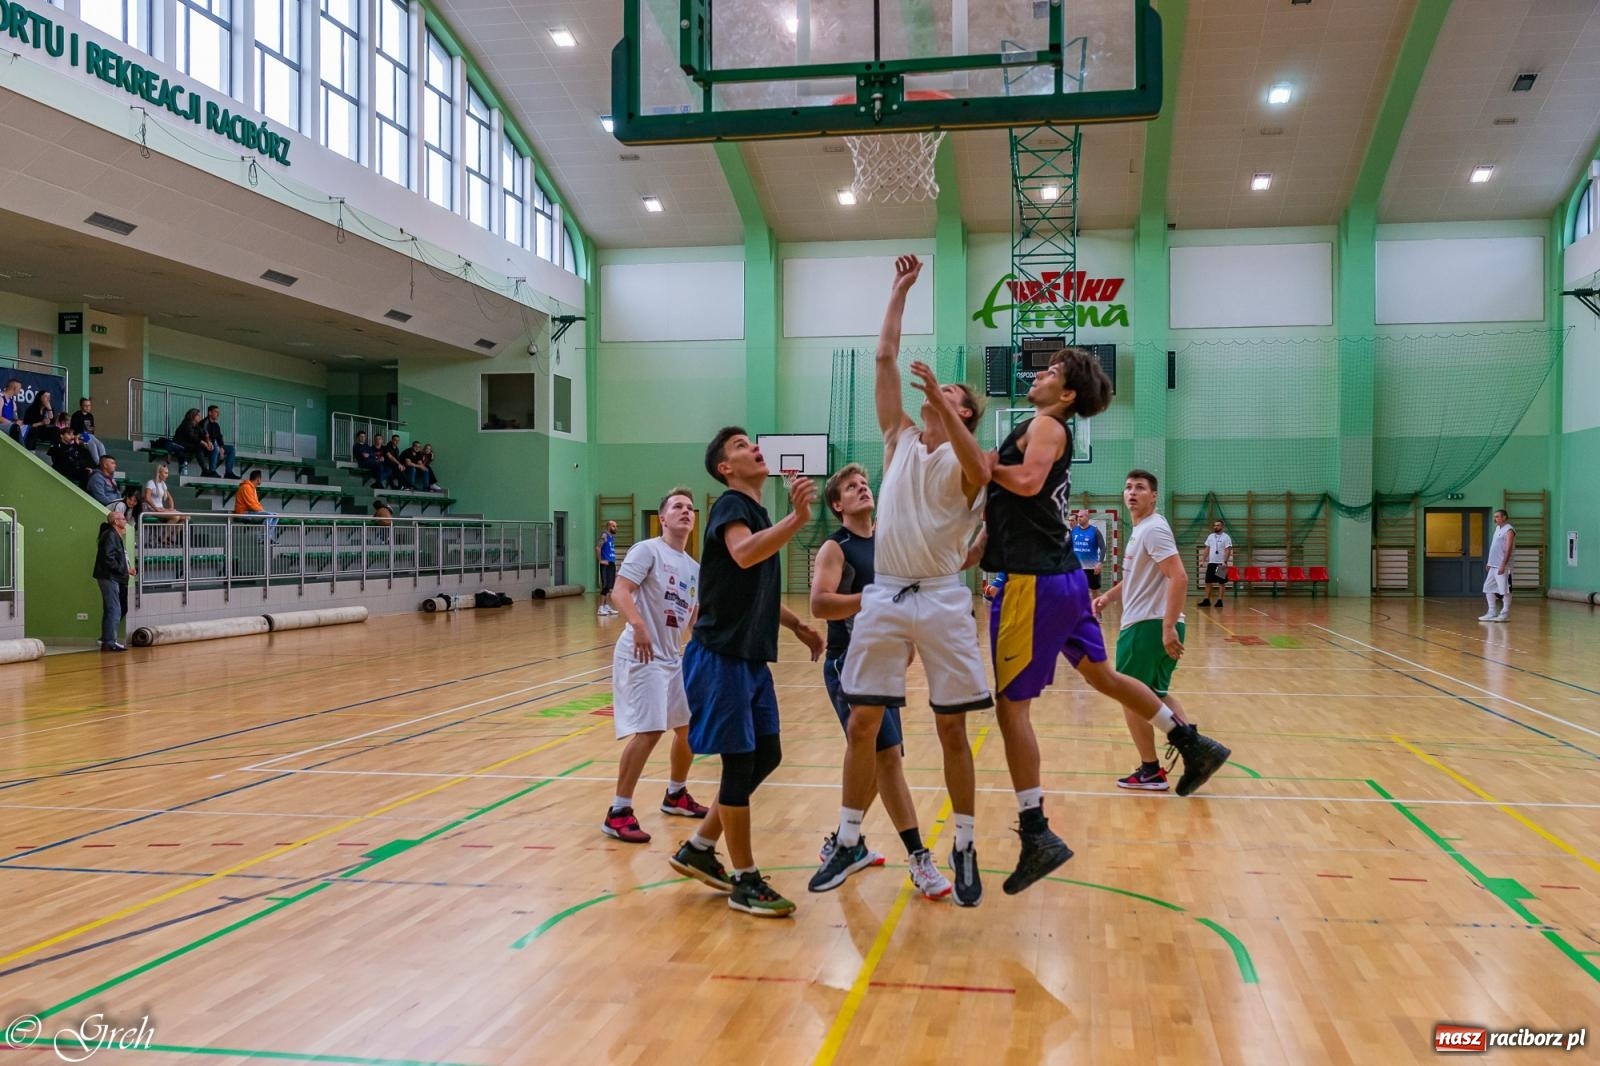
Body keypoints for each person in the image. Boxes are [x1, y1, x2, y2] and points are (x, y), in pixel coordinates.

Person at [982, 347, 1232, 897]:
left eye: (1050, 372)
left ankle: (1036, 831)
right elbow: (1016, 506)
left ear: (1067, 394)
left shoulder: (1045, 425)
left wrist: (979, 463)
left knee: (1011, 707)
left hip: (1034, 581)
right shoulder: (1044, 424)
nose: (1040, 375)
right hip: (1066, 578)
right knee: (1103, 677)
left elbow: (1024, 484)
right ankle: (1191, 744)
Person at [809, 255, 992, 905]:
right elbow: (885, 360)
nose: (935, 402)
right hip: (886, 591)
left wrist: (946, 389)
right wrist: (899, 290)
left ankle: (964, 845)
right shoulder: (900, 439)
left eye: (953, 401)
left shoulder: (973, 461)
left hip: (941, 596)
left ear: (964, 414)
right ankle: (850, 837)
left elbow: (980, 470)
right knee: (864, 724)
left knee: (950, 729)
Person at [667, 427, 825, 919]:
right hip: (720, 655)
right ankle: (744, 879)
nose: (753, 447)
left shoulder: (755, 515)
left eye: (750, 442)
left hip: (750, 657)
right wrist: (798, 519)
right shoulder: (732, 507)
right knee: (739, 764)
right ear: (725, 469)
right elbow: (743, 553)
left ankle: (699, 845)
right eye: (739, 447)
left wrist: (798, 624)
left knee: (768, 754)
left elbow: (754, 586)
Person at [808, 461, 952, 900]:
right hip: (848, 663)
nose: (862, 490)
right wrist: (868, 600)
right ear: (838, 504)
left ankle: (844, 842)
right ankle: (918, 858)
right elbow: (819, 604)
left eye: (864, 484)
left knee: (884, 760)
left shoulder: (889, 544)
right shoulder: (837, 547)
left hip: (884, 663)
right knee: (886, 759)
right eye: (851, 488)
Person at [602, 487, 710, 844]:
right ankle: (618, 811)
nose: (685, 511)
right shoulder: (648, 550)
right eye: (677, 507)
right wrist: (639, 626)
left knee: (689, 727)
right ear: (663, 518)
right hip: (640, 652)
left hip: (671, 657)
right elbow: (620, 591)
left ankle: (676, 795)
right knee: (649, 731)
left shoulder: (694, 568)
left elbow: (691, 619)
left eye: (689, 508)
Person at [1093, 471, 1196, 791]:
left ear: (1154, 496)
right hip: (1151, 623)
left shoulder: (1153, 529)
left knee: (1130, 695)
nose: (1132, 492)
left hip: (1147, 625)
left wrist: (1167, 628)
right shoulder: (1144, 531)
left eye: (1140, 488)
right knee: (1156, 695)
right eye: (1127, 487)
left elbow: (1179, 577)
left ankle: (1152, 770)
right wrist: (1109, 596)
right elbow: (1139, 578)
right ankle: (1197, 750)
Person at [93, 506, 134, 652]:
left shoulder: (114, 535)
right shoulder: (110, 535)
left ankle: (107, 639)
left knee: (111, 609)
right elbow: (108, 558)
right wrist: (122, 569)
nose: (125, 521)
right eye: (123, 519)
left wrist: (126, 569)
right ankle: (110, 641)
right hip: (109, 577)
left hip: (112, 576)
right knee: (114, 609)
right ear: (116, 521)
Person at [1481, 509, 1516, 622]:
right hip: (1493, 565)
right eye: (1494, 516)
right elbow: (1495, 547)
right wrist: (1489, 562)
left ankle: (1505, 614)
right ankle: (1492, 612)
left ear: (1504, 517)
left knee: (1504, 590)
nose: (1494, 519)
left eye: (1497, 516)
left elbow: (1508, 548)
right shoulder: (1497, 528)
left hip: (1503, 566)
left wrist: (1503, 564)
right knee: (1488, 587)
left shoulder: (1509, 530)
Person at [234, 470, 278, 538]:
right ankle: (263, 538)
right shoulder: (246, 487)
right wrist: (262, 511)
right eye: (261, 479)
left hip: (250, 511)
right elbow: (251, 504)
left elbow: (256, 503)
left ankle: (268, 537)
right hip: (243, 512)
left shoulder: (252, 488)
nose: (261, 480)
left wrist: (262, 511)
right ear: (258, 479)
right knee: (269, 515)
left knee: (275, 515)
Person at [1071, 510, 1106, 592]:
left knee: (1094, 591)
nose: (1079, 518)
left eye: (1081, 516)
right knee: (1077, 591)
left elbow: (1103, 548)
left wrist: (1100, 563)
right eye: (1078, 516)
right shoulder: (1074, 531)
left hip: (1092, 568)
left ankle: (1094, 605)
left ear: (1087, 518)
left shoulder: (1095, 531)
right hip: (1077, 568)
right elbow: (1069, 547)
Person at [1200, 519, 1233, 607]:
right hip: (1211, 563)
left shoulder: (1226, 537)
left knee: (1221, 582)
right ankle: (1206, 600)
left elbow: (1228, 550)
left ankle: (1220, 601)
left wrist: (1224, 561)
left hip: (1220, 563)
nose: (1216, 527)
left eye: (1218, 525)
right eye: (1215, 525)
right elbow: (1207, 549)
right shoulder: (1210, 536)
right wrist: (1203, 560)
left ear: (1222, 526)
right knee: (1208, 581)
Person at [201, 405, 240, 479]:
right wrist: (217, 447)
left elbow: (219, 437)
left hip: (214, 446)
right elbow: (204, 435)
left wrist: (221, 448)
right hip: (204, 446)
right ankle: (212, 471)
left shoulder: (216, 425)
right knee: (216, 448)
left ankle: (228, 472)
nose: (218, 414)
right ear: (209, 413)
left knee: (231, 449)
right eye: (216, 412)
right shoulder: (204, 422)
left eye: (218, 412)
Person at [170, 408, 206, 476]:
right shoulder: (187, 424)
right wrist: (203, 442)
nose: (200, 417)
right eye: (198, 415)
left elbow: (203, 435)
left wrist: (208, 442)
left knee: (202, 448)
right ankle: (204, 470)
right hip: (180, 445)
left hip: (188, 446)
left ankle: (207, 470)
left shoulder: (197, 426)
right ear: (193, 416)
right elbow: (191, 436)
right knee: (198, 447)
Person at [70, 398, 107, 464]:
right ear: (81, 406)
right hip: (80, 435)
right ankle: (98, 463)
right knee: (92, 445)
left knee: (100, 445)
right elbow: (73, 429)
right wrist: (77, 437)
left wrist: (92, 429)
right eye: (85, 406)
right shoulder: (76, 415)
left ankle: (105, 462)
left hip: (89, 434)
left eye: (89, 405)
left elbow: (91, 428)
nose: (88, 407)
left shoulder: (90, 416)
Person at [596, 519, 619, 616]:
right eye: (614, 526)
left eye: (616, 526)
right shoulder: (604, 536)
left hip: (611, 563)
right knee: (605, 585)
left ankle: (606, 606)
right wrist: (600, 560)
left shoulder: (611, 537)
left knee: (610, 586)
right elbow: (598, 547)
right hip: (605, 563)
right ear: (609, 526)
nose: (615, 528)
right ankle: (601, 608)